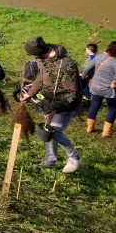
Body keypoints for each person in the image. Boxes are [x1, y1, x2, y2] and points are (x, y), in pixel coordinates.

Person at [21, 37, 82, 174]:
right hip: (50, 101)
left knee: (55, 131)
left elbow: (72, 92)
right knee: (47, 129)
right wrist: (30, 94)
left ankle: (74, 158)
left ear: (38, 52)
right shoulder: (41, 60)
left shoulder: (66, 64)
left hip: (67, 103)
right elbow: (40, 79)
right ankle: (51, 160)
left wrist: (55, 109)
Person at [82, 41, 116, 137]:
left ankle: (89, 128)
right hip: (110, 89)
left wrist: (82, 75)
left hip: (97, 86)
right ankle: (106, 132)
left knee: (94, 106)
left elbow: (88, 68)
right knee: (112, 109)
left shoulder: (98, 56)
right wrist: (115, 81)